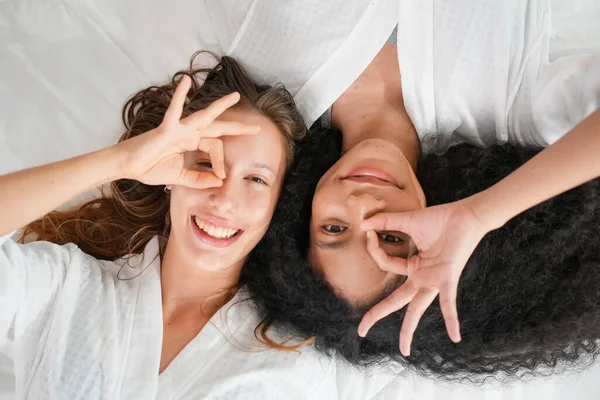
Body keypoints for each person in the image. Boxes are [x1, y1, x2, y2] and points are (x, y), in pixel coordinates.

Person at [238, 0, 600, 380]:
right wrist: (481, 214)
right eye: (392, 235)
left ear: (301, 214)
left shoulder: (264, 73)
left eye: (333, 229)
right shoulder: (507, 112)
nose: (362, 203)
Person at [0, 53, 362, 399]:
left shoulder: (294, 363)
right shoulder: (67, 289)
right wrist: (120, 162)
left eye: (255, 179)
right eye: (205, 165)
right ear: (170, 171)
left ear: (279, 205)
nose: (223, 199)